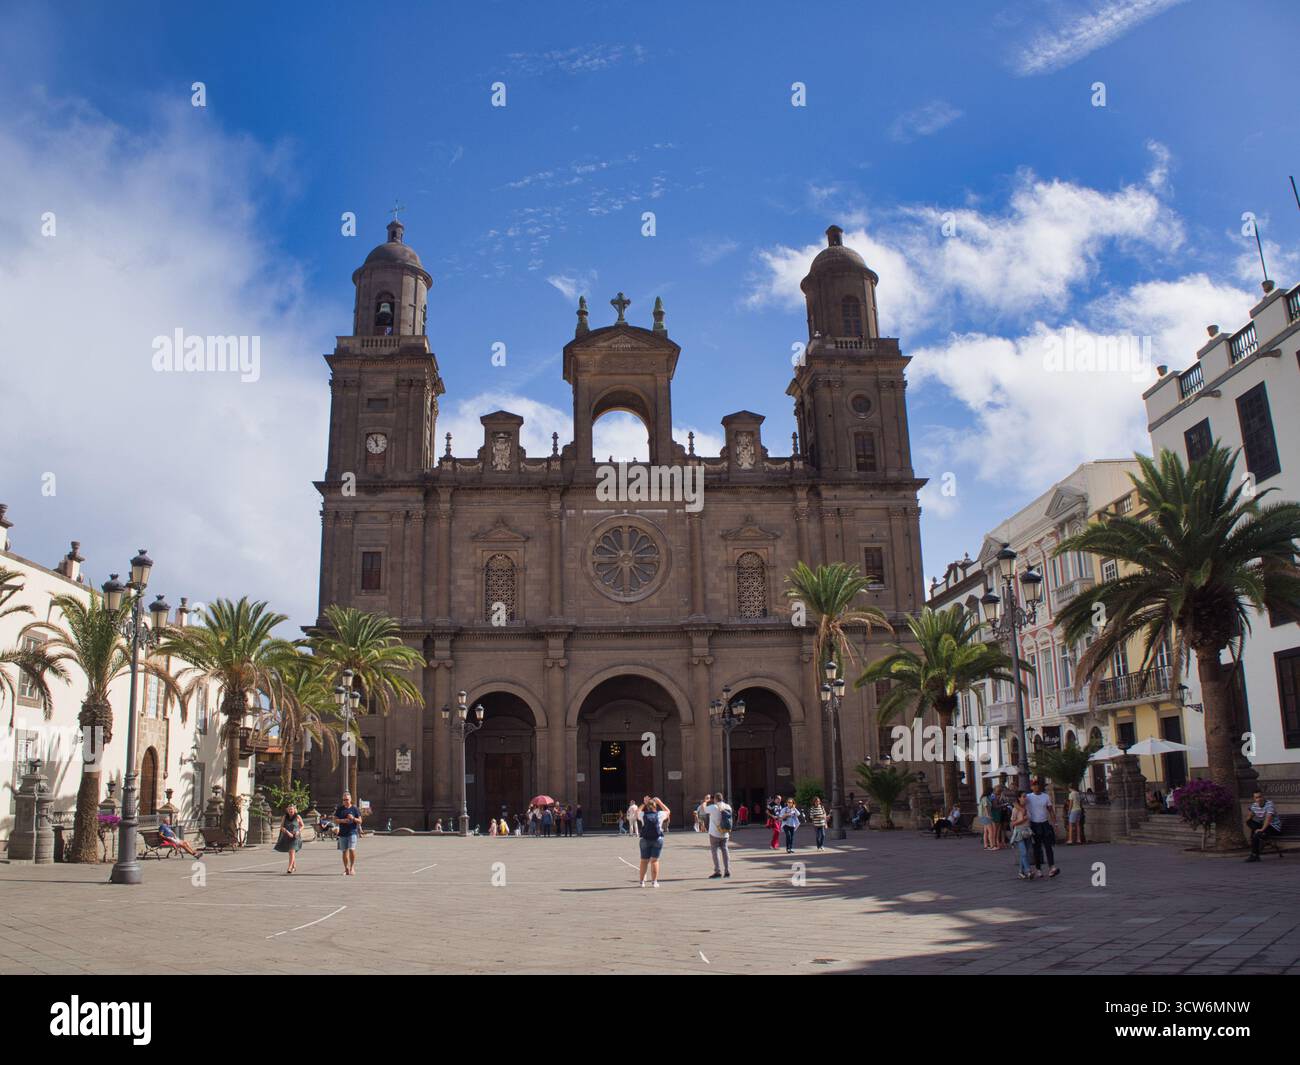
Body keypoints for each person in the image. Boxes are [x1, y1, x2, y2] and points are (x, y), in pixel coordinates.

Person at [1025, 778, 1059, 878]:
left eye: (1038, 785)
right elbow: (1018, 803)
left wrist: (1055, 823)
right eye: (1034, 785)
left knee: (1048, 846)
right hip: (1034, 824)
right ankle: (1038, 869)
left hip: (1044, 823)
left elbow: (1050, 810)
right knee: (1037, 848)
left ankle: (1052, 867)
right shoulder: (1028, 797)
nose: (1036, 787)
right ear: (1031, 787)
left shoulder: (1046, 796)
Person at [637, 795, 670, 887]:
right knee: (654, 861)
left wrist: (644, 803)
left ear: (647, 807)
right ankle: (654, 882)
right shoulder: (660, 814)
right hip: (657, 839)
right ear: (656, 806)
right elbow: (668, 811)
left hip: (645, 840)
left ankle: (641, 882)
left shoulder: (643, 815)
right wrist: (660, 802)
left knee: (644, 861)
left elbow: (637, 812)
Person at [699, 792, 733, 878]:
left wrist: (705, 800)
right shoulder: (728, 806)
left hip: (714, 833)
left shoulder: (713, 807)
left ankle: (718, 871)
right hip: (725, 832)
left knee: (715, 852)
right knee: (725, 851)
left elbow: (703, 809)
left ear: (715, 799)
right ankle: (727, 870)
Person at [1245, 790, 1283, 862]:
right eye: (1256, 798)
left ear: (1263, 797)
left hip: (1273, 827)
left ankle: (1254, 855)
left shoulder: (1269, 804)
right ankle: (1255, 854)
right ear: (1254, 798)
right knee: (1249, 822)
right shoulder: (1254, 805)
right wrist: (1251, 814)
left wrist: (1262, 829)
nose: (1258, 799)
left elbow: (1268, 819)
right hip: (1263, 826)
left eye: (1260, 797)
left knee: (1255, 835)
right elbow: (1248, 818)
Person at [335, 792, 362, 875]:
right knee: (344, 851)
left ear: (350, 800)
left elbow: (360, 821)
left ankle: (352, 867)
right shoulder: (340, 809)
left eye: (347, 799)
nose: (345, 801)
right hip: (342, 833)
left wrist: (353, 818)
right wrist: (343, 820)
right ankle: (346, 868)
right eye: (344, 800)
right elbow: (335, 820)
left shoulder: (355, 809)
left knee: (351, 849)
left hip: (352, 832)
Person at [1009, 793, 1034, 880]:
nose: (1025, 798)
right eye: (1023, 796)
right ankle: (1028, 871)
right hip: (1019, 832)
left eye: (1025, 796)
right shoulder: (1015, 810)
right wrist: (1021, 820)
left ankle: (1020, 872)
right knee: (1023, 852)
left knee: (1025, 853)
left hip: (1027, 831)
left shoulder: (1027, 807)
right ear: (1019, 798)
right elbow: (1012, 823)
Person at [274, 804, 304, 873]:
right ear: (287, 810)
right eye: (289, 809)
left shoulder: (298, 817)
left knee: (292, 851)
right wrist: (287, 832)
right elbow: (281, 827)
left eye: (292, 809)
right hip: (287, 836)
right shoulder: (285, 817)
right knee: (291, 853)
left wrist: (298, 831)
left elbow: (302, 826)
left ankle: (289, 868)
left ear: (294, 810)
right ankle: (294, 866)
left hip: (295, 836)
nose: (291, 810)